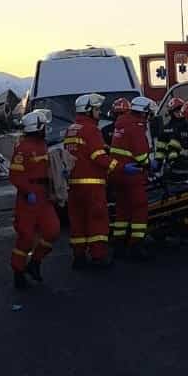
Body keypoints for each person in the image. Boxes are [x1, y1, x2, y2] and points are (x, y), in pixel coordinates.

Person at [63, 93, 118, 268]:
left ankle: (79, 257)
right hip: (92, 185)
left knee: (78, 220)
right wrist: (118, 167)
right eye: (96, 109)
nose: (99, 112)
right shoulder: (91, 129)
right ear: (88, 110)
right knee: (97, 219)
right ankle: (98, 256)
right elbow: (98, 157)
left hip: (73, 185)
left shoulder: (71, 129)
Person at [7, 110, 59, 289]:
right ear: (36, 128)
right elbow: (14, 175)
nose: (46, 129)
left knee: (52, 231)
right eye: (44, 126)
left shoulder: (42, 145)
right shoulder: (23, 148)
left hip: (44, 196)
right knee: (26, 238)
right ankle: (18, 272)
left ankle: (35, 263)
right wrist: (28, 191)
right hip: (28, 198)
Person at [110, 96, 155, 259]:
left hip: (118, 173)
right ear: (143, 113)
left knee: (122, 209)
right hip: (133, 175)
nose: (149, 116)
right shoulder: (136, 127)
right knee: (139, 209)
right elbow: (141, 155)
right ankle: (136, 245)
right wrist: (150, 164)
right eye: (148, 113)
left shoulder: (121, 123)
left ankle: (118, 244)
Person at [107, 98, 133, 249]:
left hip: (115, 175)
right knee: (120, 207)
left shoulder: (106, 131)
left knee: (119, 207)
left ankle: (117, 237)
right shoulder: (133, 129)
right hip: (121, 174)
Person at [153, 96, 185, 173]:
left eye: (181, 110)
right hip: (172, 164)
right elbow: (161, 148)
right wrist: (158, 161)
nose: (179, 113)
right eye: (176, 111)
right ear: (171, 112)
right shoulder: (167, 128)